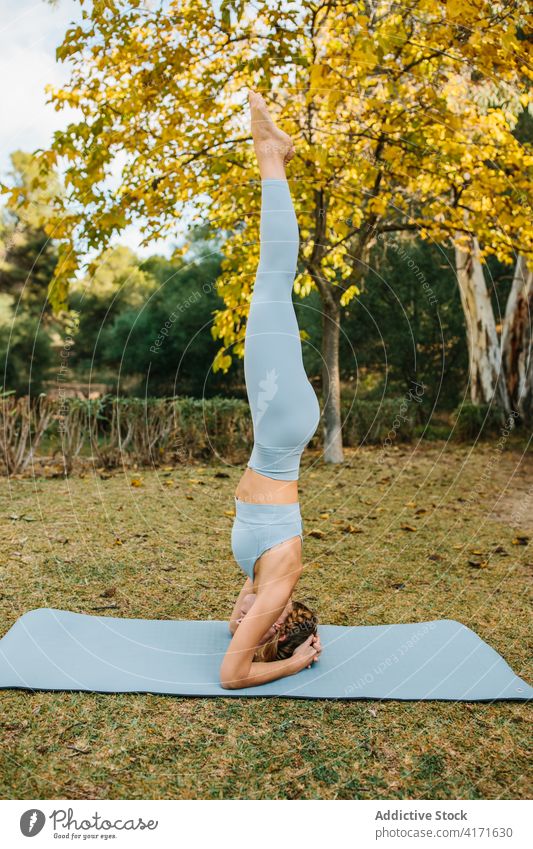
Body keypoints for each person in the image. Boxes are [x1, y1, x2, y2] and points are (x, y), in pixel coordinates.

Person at [220, 91, 322, 690]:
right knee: (271, 281)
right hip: (281, 427)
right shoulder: (280, 580)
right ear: (279, 620)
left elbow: (237, 631)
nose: (242, 622)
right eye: (257, 624)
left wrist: (248, 618)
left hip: (277, 428)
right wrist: (294, 662)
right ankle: (271, 155)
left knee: (270, 285)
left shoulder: (259, 584)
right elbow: (233, 674)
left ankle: (272, 155)